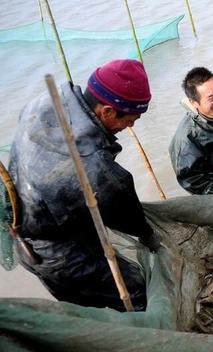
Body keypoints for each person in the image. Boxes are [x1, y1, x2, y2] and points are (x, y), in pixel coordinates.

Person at [8, 59, 160, 311]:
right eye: (130, 120)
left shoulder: (46, 101)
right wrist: (149, 236)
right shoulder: (92, 160)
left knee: (88, 306)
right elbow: (124, 211)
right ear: (107, 111)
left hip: (26, 229)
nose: (129, 127)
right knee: (137, 296)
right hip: (61, 255)